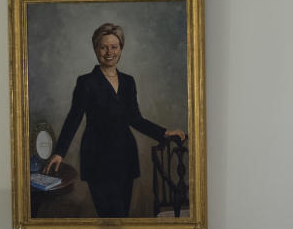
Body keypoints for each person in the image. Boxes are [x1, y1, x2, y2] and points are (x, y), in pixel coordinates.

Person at [44, 23, 186, 217]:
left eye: (114, 47)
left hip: (125, 157)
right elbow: (74, 118)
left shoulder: (128, 81)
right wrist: (60, 152)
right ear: (95, 49)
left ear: (121, 49)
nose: (109, 52)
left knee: (122, 218)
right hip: (97, 159)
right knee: (108, 218)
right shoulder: (86, 82)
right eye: (103, 47)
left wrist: (163, 132)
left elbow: (135, 119)